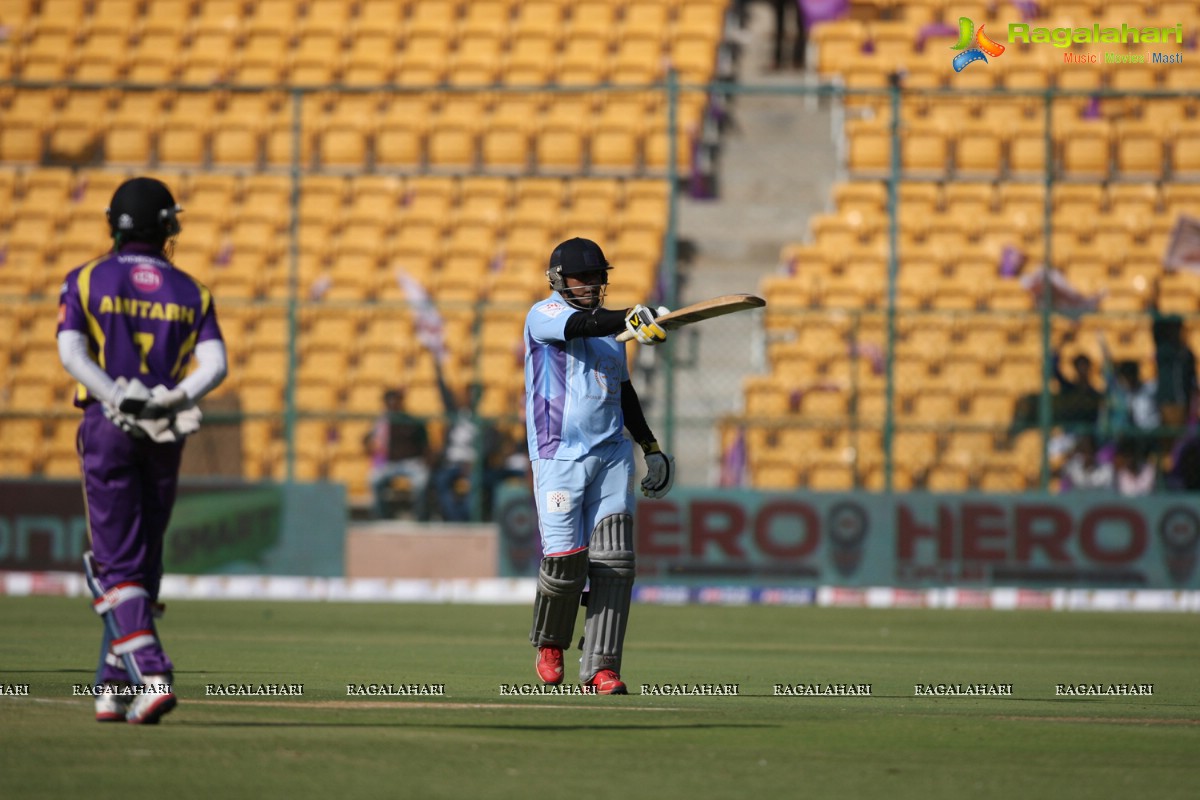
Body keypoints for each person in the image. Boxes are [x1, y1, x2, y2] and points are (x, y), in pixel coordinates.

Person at [56, 176, 228, 724]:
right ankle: (113, 684)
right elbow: (217, 365)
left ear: (113, 222)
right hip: (164, 432)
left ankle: (150, 675)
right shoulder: (192, 290)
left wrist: (115, 398)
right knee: (143, 555)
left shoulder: (86, 278)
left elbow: (71, 351)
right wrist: (169, 400)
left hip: (107, 427)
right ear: (167, 226)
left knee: (113, 562)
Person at [524, 237, 674, 695]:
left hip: (611, 454)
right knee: (565, 562)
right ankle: (551, 641)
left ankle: (601, 669)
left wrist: (649, 447)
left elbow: (625, 393)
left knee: (614, 564)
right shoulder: (543, 315)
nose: (591, 285)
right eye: (581, 278)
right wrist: (628, 316)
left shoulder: (613, 337)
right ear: (557, 279)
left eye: (597, 278)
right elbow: (582, 325)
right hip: (558, 453)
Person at [364, 387, 432, 521]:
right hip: (389, 464)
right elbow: (367, 441)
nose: (392, 404)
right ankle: (382, 516)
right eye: (389, 402)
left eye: (395, 401)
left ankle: (420, 516)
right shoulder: (382, 423)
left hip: (411, 462)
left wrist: (426, 462)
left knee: (421, 481)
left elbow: (426, 447)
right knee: (373, 479)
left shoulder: (413, 422)